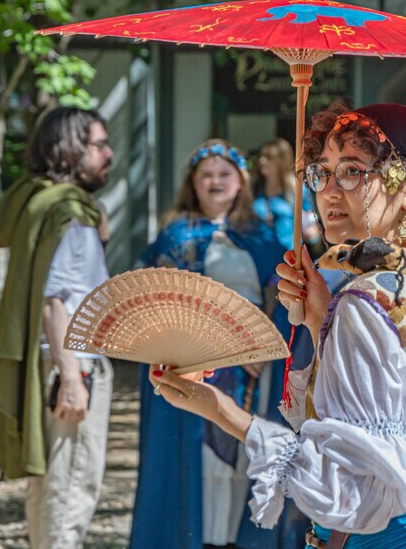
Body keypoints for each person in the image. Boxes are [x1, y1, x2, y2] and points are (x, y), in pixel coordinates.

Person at [150, 103, 406, 548]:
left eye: (353, 171)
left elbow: (340, 485)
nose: (328, 192)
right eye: (322, 173)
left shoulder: (368, 299)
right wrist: (321, 320)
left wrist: (217, 409)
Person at [129, 139, 310, 549]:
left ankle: (238, 539)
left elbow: (284, 299)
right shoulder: (175, 235)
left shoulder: (261, 235)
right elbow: (160, 301)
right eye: (205, 175)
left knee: (245, 451)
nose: (215, 182)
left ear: (241, 180)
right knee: (193, 458)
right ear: (192, 182)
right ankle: (198, 539)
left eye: (223, 174)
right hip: (193, 363)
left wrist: (261, 348)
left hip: (251, 368)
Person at [0, 106, 115, 548]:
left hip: (58, 360)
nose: (108, 154)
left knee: (51, 483)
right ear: (69, 149)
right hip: (72, 361)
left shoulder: (36, 199)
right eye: (97, 145)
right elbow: (53, 299)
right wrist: (73, 377)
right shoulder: (67, 211)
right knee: (72, 485)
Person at [253, 138, 320, 251]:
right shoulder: (254, 188)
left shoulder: (297, 190)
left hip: (289, 254)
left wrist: (312, 235)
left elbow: (312, 224)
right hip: (258, 253)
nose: (262, 160)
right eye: (261, 156)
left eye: (269, 157)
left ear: (281, 161)